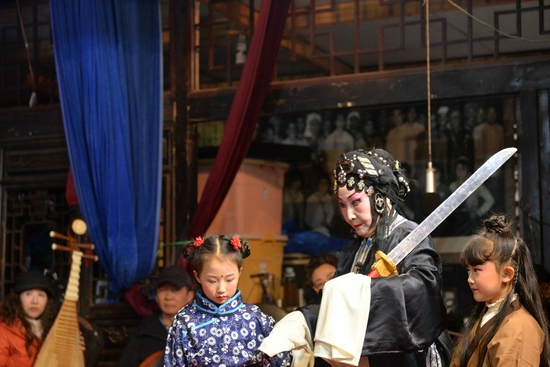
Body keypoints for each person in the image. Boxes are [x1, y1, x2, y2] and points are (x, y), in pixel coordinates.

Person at [260, 148, 452, 367]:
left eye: (356, 202)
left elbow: (424, 290)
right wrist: (301, 321)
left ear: (379, 197)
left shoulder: (408, 235)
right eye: (343, 205)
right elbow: (334, 302)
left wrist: (365, 290)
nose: (349, 215)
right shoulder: (356, 246)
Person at [164, 235, 290, 367]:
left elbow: (282, 359)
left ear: (239, 273)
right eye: (212, 281)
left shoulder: (255, 318)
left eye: (229, 279)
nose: (221, 289)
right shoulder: (185, 321)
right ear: (198, 276)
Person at [450, 215, 550, 367]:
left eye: (477, 270)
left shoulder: (519, 328)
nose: (469, 279)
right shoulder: (486, 314)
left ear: (507, 274)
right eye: (468, 271)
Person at [118, 266, 194, 367]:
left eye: (175, 290)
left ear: (190, 296)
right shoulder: (144, 332)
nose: (168, 297)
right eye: (163, 290)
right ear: (156, 296)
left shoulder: (202, 331)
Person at [0, 271, 57, 367]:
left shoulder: (54, 329)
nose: (35, 301)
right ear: (17, 298)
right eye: (28, 294)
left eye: (41, 295)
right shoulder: (4, 330)